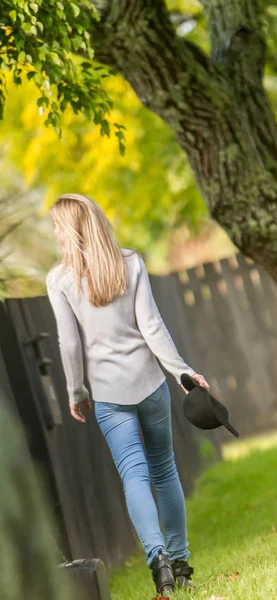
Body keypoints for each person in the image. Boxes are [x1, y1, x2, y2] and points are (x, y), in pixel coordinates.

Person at [46, 193, 210, 597]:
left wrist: (76, 391)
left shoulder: (60, 279)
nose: (53, 232)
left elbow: (69, 345)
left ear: (68, 230)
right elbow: (152, 327)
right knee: (165, 470)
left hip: (108, 394)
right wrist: (183, 373)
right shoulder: (131, 263)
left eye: (55, 225)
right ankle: (182, 563)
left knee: (134, 475)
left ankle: (159, 562)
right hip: (150, 384)